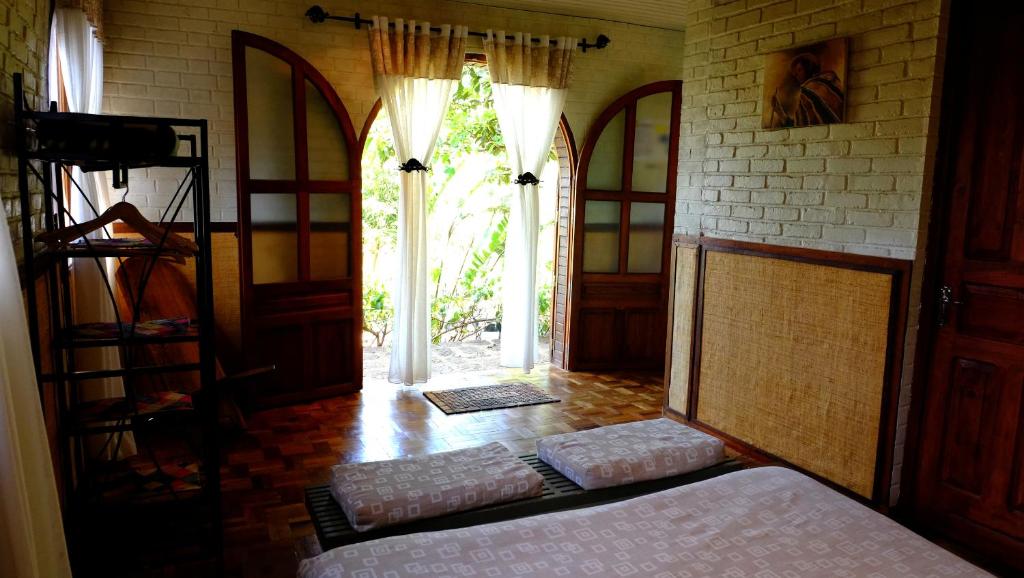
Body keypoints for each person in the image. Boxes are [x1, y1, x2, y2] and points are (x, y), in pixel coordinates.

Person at [767, 52, 844, 128]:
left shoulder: (808, 90)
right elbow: (802, 124)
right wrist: (779, 111)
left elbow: (799, 128)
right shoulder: (831, 81)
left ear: (808, 67)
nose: (797, 75)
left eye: (799, 70)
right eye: (795, 74)